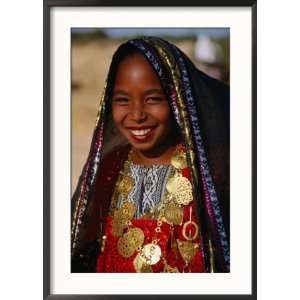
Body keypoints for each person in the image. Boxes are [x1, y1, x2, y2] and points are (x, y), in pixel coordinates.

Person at [71, 36, 230, 273]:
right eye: (122, 100)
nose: (136, 114)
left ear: (177, 100)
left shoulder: (207, 175)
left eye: (153, 99)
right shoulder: (109, 168)